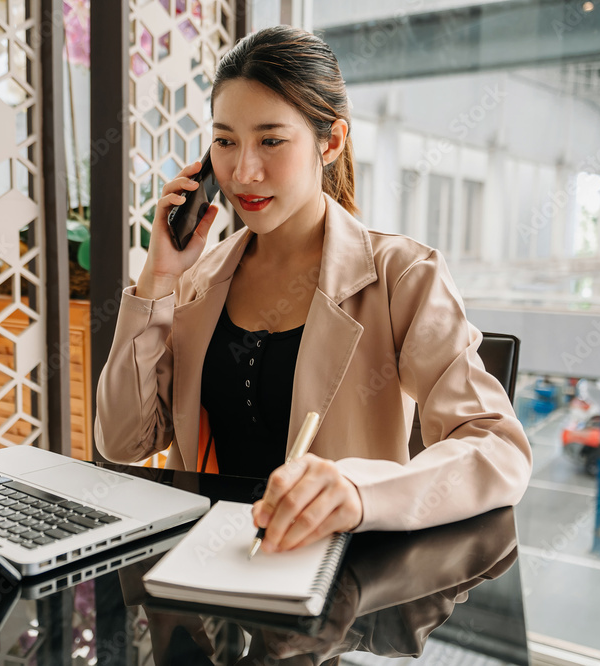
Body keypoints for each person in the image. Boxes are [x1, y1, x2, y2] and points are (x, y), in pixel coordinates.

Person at [94, 25, 532, 554]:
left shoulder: (403, 275)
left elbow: (497, 448)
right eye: (225, 142)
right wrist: (158, 280)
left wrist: (358, 490)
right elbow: (123, 441)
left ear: (332, 142)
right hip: (204, 575)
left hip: (340, 581)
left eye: (271, 141)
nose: (243, 171)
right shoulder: (196, 281)